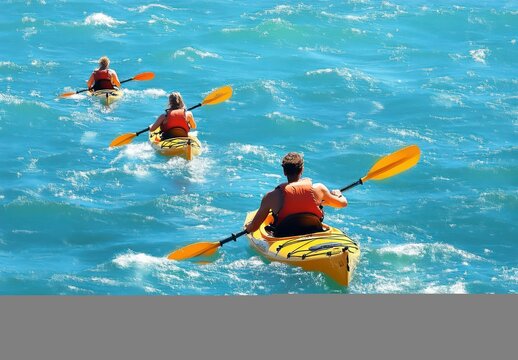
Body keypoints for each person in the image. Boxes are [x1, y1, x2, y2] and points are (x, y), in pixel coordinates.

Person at [245, 152, 347, 237]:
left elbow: (254, 227)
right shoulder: (319, 189)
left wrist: (247, 226)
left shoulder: (271, 197)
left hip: (285, 237)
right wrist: (338, 194)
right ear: (302, 170)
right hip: (314, 231)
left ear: (284, 172)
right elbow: (342, 204)